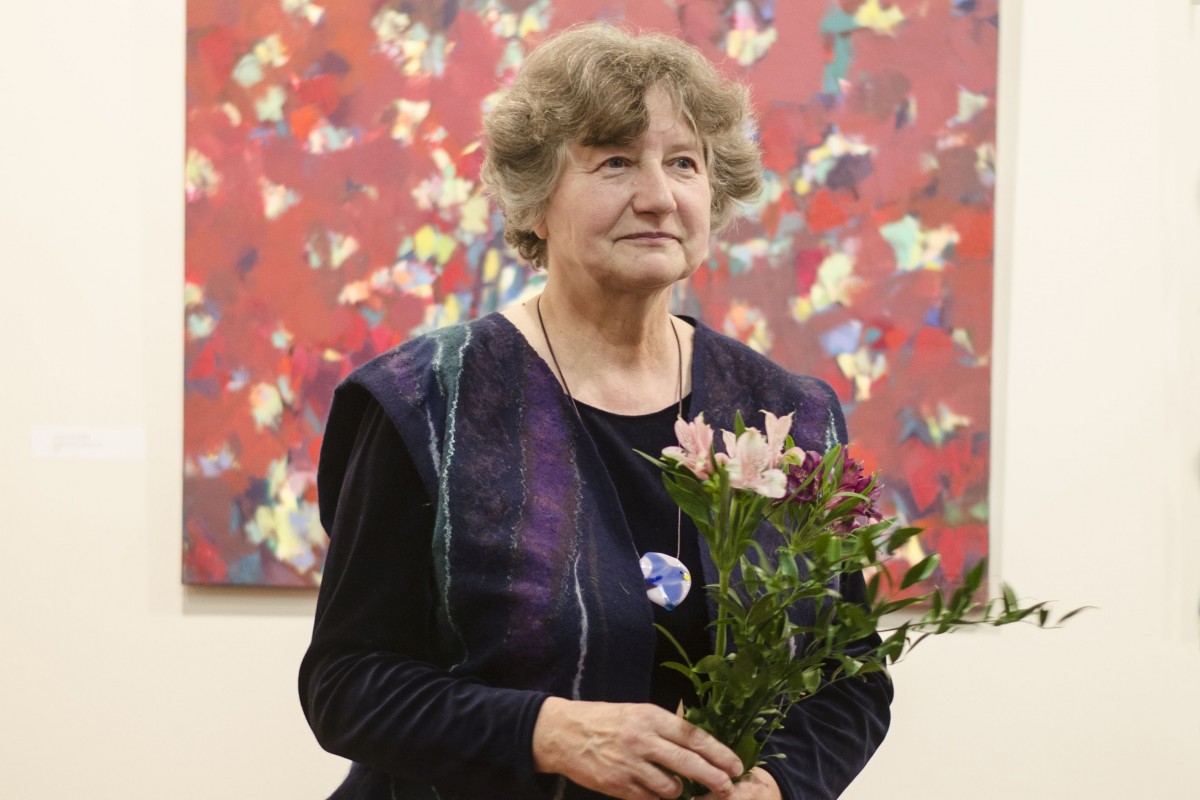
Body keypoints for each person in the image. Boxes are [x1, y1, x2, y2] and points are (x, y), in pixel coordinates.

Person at [300, 23, 891, 800]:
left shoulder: (788, 416)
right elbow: (346, 683)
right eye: (614, 161)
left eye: (683, 163)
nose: (658, 196)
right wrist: (547, 733)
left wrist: (778, 784)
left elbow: (849, 676)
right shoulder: (425, 403)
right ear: (535, 201)